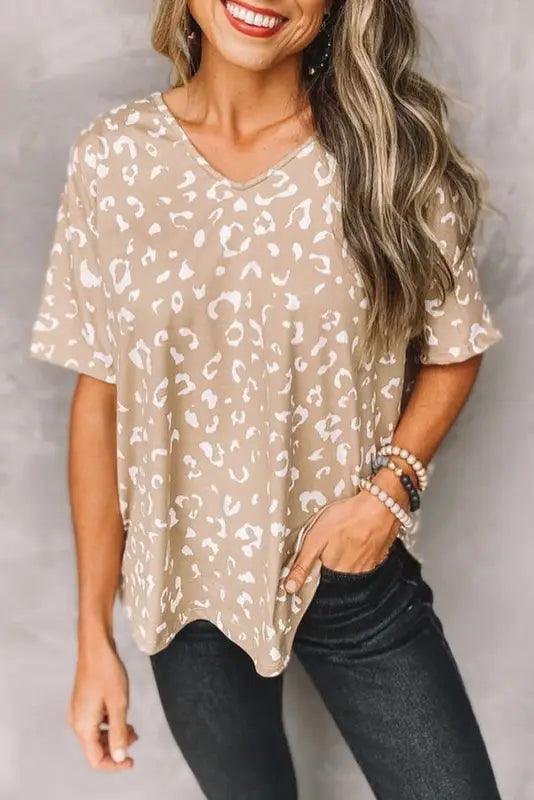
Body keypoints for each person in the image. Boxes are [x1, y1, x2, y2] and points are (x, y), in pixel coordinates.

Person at [28, 0, 505, 797]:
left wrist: (388, 496)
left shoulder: (388, 153)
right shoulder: (114, 159)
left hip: (351, 578)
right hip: (186, 594)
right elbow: (101, 397)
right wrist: (94, 640)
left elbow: (455, 347)